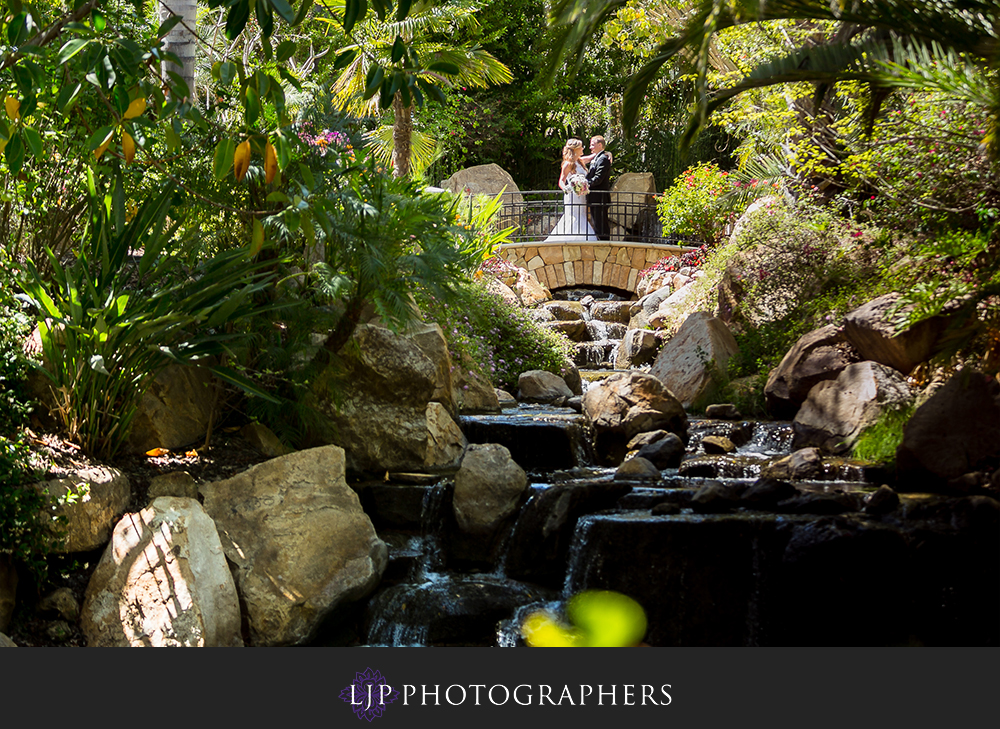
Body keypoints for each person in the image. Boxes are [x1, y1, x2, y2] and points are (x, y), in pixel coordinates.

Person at [544, 138, 597, 241]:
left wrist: (608, 153)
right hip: (572, 195)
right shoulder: (568, 164)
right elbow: (561, 181)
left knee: (582, 215)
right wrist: (567, 188)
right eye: (581, 147)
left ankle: (581, 237)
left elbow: (594, 156)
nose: (583, 149)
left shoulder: (580, 161)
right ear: (576, 149)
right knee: (573, 215)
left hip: (582, 195)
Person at [584, 135, 612, 241]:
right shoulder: (598, 157)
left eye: (592, 145)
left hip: (600, 198)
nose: (590, 147)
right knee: (597, 224)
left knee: (601, 225)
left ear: (600, 145)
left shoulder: (603, 159)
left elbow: (598, 178)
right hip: (595, 198)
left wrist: (585, 184)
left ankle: (604, 245)